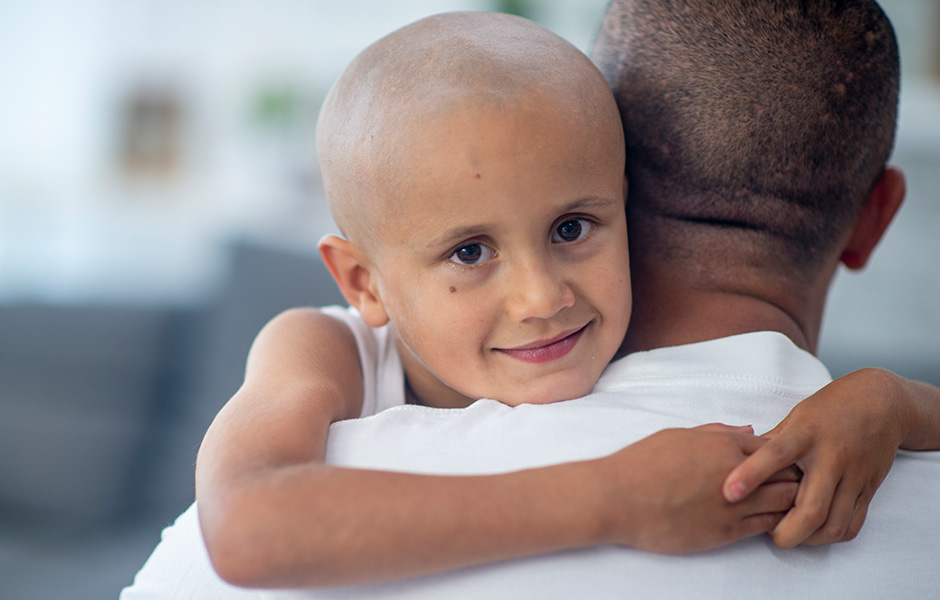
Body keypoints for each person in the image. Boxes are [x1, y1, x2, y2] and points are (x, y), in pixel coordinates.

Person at [121, 2, 940, 598]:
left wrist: (892, 401)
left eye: (574, 227)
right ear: (363, 284)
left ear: (631, 199)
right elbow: (248, 526)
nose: (542, 295)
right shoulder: (323, 352)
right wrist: (610, 499)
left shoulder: (594, 342)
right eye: (470, 252)